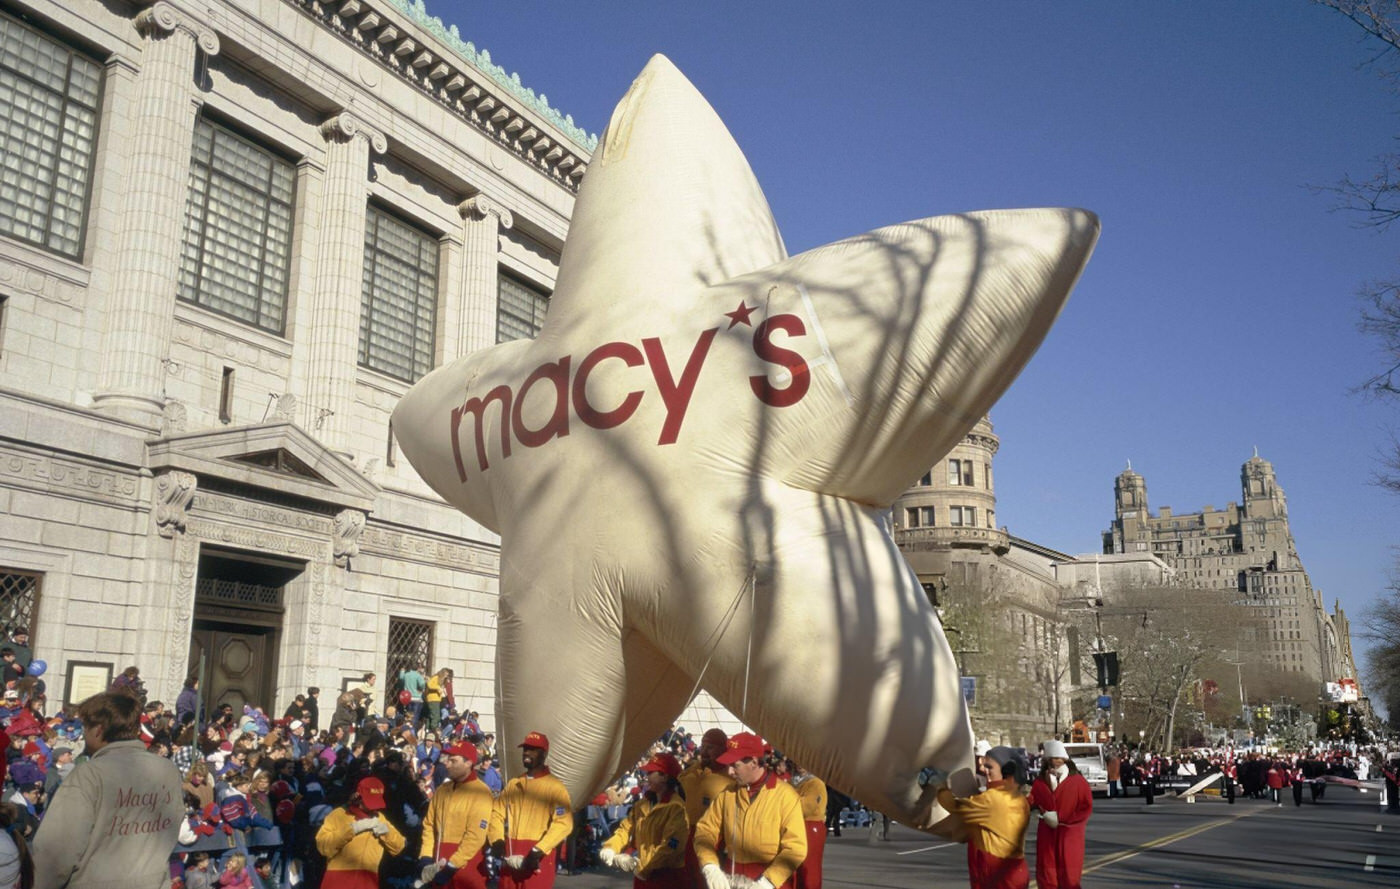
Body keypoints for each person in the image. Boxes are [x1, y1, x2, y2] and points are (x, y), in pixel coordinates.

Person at [31, 691, 185, 889]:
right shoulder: (168, 770)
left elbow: (56, 851)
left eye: (85, 727)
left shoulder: (89, 775)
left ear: (98, 729)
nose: (84, 734)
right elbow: (173, 826)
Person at [693, 732, 807, 889]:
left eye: (735, 765)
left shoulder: (785, 796)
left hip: (772, 879)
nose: (729, 772)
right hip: (732, 876)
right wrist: (710, 865)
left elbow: (795, 847)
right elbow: (705, 830)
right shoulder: (728, 793)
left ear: (753, 762)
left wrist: (768, 882)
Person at [935, 745, 1031, 889]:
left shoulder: (992, 799)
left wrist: (939, 786)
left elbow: (954, 805)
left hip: (998, 872)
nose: (984, 770)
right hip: (1014, 869)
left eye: (989, 767)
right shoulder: (1017, 797)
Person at [489, 731, 573, 889]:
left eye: (533, 750)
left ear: (544, 754)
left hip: (537, 858)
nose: (527, 753)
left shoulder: (555, 787)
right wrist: (497, 840)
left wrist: (538, 850)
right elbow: (496, 813)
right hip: (511, 856)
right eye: (525, 749)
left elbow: (564, 823)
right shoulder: (514, 784)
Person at [599, 752, 688, 888]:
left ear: (665, 777)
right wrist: (611, 847)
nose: (647, 776)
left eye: (651, 772)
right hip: (642, 874)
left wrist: (639, 864)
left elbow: (671, 847)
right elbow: (626, 829)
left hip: (666, 877)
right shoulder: (642, 804)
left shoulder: (676, 808)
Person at [419, 742, 496, 888]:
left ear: (468, 763)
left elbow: (475, 836)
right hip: (438, 865)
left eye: (453, 761)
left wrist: (452, 865)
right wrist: (426, 856)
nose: (447, 764)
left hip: (465, 869)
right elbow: (429, 825)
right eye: (448, 760)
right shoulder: (442, 790)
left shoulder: (481, 792)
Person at [316, 776, 406, 888]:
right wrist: (352, 829)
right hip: (338, 880)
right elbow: (323, 846)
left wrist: (386, 833)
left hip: (367, 881)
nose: (373, 808)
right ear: (357, 797)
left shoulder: (379, 818)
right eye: (370, 802)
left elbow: (399, 846)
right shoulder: (338, 814)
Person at [1028, 740, 1092, 889]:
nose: (1055, 762)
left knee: (1069, 877)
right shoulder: (1040, 782)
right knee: (1047, 876)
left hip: (1069, 836)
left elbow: (1085, 808)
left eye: (1058, 758)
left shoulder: (1078, 782)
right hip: (1047, 836)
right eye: (1052, 759)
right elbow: (1031, 801)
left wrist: (1062, 819)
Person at [677, 728, 735, 884]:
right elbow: (680, 778)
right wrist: (697, 766)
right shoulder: (694, 774)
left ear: (722, 750)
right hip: (690, 835)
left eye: (710, 747)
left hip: (716, 838)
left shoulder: (730, 780)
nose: (704, 752)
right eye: (702, 746)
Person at [785, 759, 827, 889]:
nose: (799, 765)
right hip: (796, 824)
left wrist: (786, 803)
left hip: (811, 825)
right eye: (797, 761)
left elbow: (807, 807)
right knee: (796, 864)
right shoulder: (793, 782)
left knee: (809, 866)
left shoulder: (816, 783)